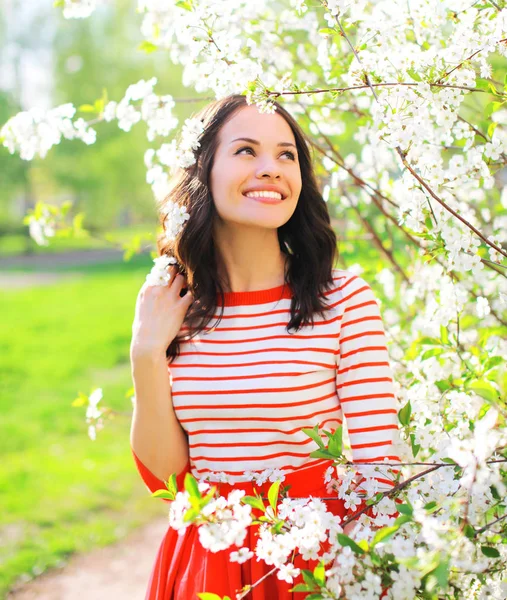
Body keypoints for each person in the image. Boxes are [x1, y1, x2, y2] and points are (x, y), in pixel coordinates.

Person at [129, 94, 401, 599]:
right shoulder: (173, 306)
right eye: (247, 151)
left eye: (286, 155)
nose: (271, 169)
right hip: (207, 559)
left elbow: (376, 466)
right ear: (203, 171)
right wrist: (145, 353)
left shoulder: (342, 300)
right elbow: (167, 477)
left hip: (313, 560)